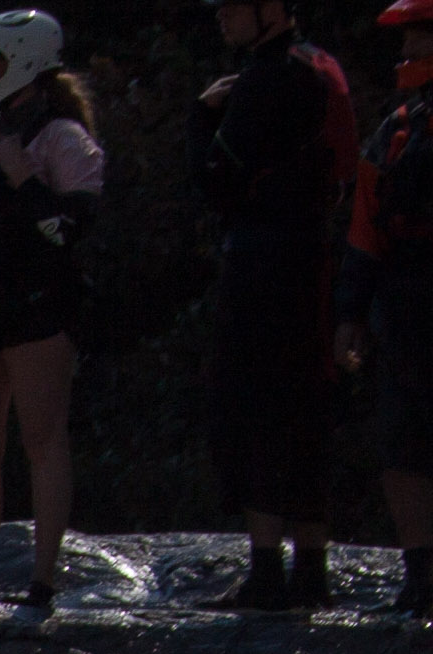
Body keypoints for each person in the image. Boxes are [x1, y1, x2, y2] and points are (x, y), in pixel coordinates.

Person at [0, 12, 111, 614]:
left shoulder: (63, 138)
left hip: (36, 308)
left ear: (24, 64)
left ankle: (43, 581)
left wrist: (24, 178)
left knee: (42, 441)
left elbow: (70, 228)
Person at [200, 0, 362, 606]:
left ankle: (267, 570)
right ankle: (311, 570)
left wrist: (199, 118)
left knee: (257, 406)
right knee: (307, 405)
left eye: (233, 6)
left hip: (263, 259)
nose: (222, 16)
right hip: (314, 253)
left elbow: (214, 178)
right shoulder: (319, 63)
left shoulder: (267, 76)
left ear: (270, 10)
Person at [339, 0, 433, 613]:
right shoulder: (398, 128)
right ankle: (420, 575)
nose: (406, 53)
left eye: (419, 39)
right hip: (404, 306)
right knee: (401, 445)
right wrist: (350, 314)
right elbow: (364, 227)